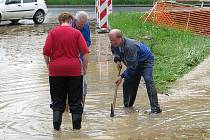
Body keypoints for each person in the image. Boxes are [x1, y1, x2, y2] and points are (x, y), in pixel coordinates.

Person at [43, 12, 89, 130]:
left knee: (57, 101)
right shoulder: (77, 33)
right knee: (75, 101)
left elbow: (46, 52)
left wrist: (49, 65)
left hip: (56, 70)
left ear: (60, 21)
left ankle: (57, 130)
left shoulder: (53, 32)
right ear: (70, 20)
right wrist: (85, 67)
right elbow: (85, 52)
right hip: (74, 70)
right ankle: (76, 131)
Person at [108, 29, 162, 114]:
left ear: (120, 38)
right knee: (128, 83)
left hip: (145, 61)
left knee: (148, 80)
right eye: (110, 40)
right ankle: (128, 107)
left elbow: (133, 67)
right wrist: (117, 60)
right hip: (133, 63)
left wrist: (121, 76)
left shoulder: (130, 46)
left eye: (113, 40)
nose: (112, 43)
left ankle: (155, 109)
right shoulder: (114, 44)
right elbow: (116, 53)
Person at [72, 11, 91, 107]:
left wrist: (81, 46)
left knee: (84, 84)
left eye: (83, 24)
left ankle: (81, 104)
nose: (81, 26)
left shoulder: (86, 26)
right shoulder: (69, 26)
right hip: (70, 57)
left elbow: (88, 42)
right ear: (75, 20)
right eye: (80, 24)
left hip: (81, 57)